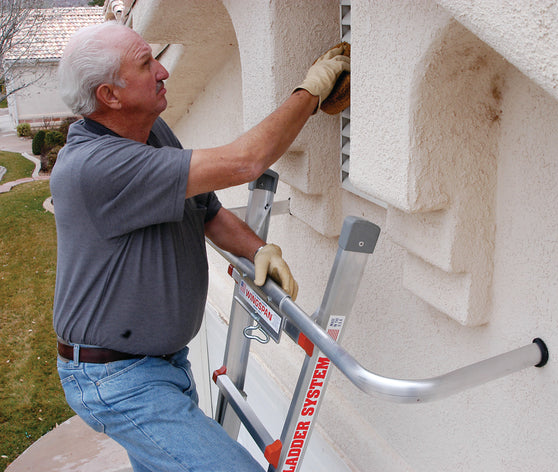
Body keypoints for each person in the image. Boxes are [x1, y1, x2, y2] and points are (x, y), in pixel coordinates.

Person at [51, 21, 349, 472]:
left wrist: (258, 250)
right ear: (110, 95)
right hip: (117, 379)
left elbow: (205, 210)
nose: (164, 71)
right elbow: (246, 161)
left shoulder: (150, 132)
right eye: (146, 63)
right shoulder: (96, 168)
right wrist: (312, 89)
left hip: (161, 364)